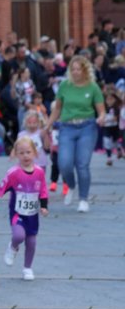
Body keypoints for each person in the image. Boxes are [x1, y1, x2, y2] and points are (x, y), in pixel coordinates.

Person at [42, 54, 105, 213]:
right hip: (67, 127)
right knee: (64, 163)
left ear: (85, 70)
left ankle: (83, 199)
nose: (76, 72)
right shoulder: (64, 85)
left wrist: (101, 118)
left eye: (79, 69)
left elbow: (101, 110)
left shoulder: (93, 87)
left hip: (87, 127)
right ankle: (70, 185)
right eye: (73, 69)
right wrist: (48, 125)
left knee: (82, 164)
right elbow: (57, 108)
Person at [0, 135, 48, 280]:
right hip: (17, 214)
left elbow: (43, 190)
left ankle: (27, 268)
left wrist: (44, 206)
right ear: (16, 154)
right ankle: (13, 247)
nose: (25, 156)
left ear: (35, 153)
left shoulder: (39, 172)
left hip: (32, 215)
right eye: (21, 153)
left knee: (31, 242)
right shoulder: (13, 173)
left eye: (28, 152)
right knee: (19, 236)